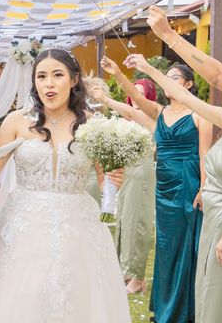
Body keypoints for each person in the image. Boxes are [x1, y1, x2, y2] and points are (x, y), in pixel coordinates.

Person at [0, 48, 130, 322]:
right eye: (41, 76)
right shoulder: (17, 121)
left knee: (78, 300)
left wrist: (114, 181)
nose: (49, 84)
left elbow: (103, 179)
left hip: (78, 227)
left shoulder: (93, 125)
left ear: (73, 80)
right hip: (23, 223)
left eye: (57, 75)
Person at [144, 5, 222, 323]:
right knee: (207, 291)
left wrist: (169, 35)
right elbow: (183, 97)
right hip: (213, 216)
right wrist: (149, 71)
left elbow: (218, 76)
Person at [106, 53, 212, 323]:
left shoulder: (200, 112)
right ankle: (164, 307)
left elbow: (204, 154)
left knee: (185, 244)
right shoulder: (161, 111)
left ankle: (183, 309)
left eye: (174, 78)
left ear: (188, 85)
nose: (169, 83)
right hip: (163, 185)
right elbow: (136, 100)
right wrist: (118, 73)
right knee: (165, 245)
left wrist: (203, 188)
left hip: (188, 182)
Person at [90, 75, 157, 294]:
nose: (136, 97)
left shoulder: (152, 117)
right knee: (124, 221)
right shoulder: (124, 121)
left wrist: (107, 100)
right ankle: (124, 271)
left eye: (141, 93)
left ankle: (137, 277)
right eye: (133, 92)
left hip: (141, 174)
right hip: (125, 174)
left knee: (137, 222)